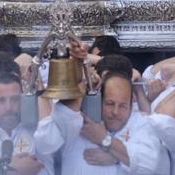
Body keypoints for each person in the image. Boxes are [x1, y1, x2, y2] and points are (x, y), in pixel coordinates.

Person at [34, 69, 165, 174]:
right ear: (99, 100)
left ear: (132, 104)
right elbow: (44, 144)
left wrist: (106, 141)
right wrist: (78, 95)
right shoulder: (74, 120)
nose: (115, 111)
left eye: (123, 106)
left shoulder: (141, 123)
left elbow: (150, 165)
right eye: (110, 103)